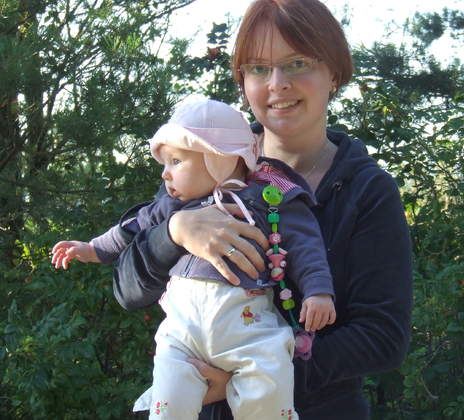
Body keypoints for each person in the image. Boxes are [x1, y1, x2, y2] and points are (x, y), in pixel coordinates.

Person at [112, 0, 413, 419]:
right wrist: (175, 231)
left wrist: (251, 376)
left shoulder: (366, 190)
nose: (277, 84)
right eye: (258, 68)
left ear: (334, 72)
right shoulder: (208, 162)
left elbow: (382, 338)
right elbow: (128, 291)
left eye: (297, 63)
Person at [51, 98, 336, 419]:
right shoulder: (172, 207)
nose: (165, 174)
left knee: (269, 377)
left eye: (176, 161)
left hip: (248, 326)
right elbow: (131, 228)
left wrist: (318, 291)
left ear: (220, 159)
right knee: (170, 398)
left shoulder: (269, 198)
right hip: (182, 331)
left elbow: (306, 246)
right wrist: (92, 248)